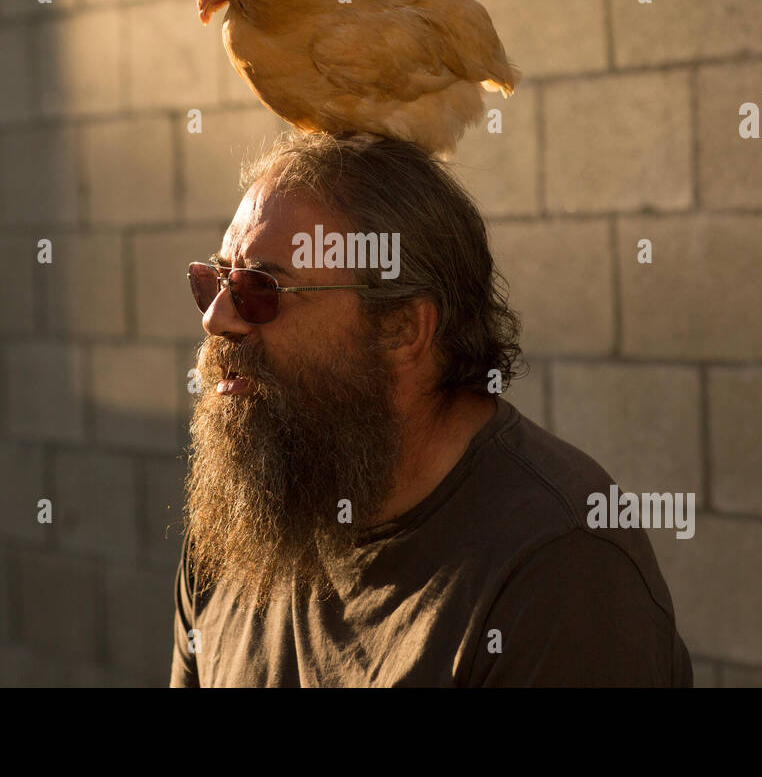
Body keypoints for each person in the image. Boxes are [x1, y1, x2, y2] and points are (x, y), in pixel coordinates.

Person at [171, 131, 693, 687]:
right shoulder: (245, 519)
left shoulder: (562, 565)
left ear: (400, 329)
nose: (217, 318)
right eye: (215, 280)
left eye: (260, 288)